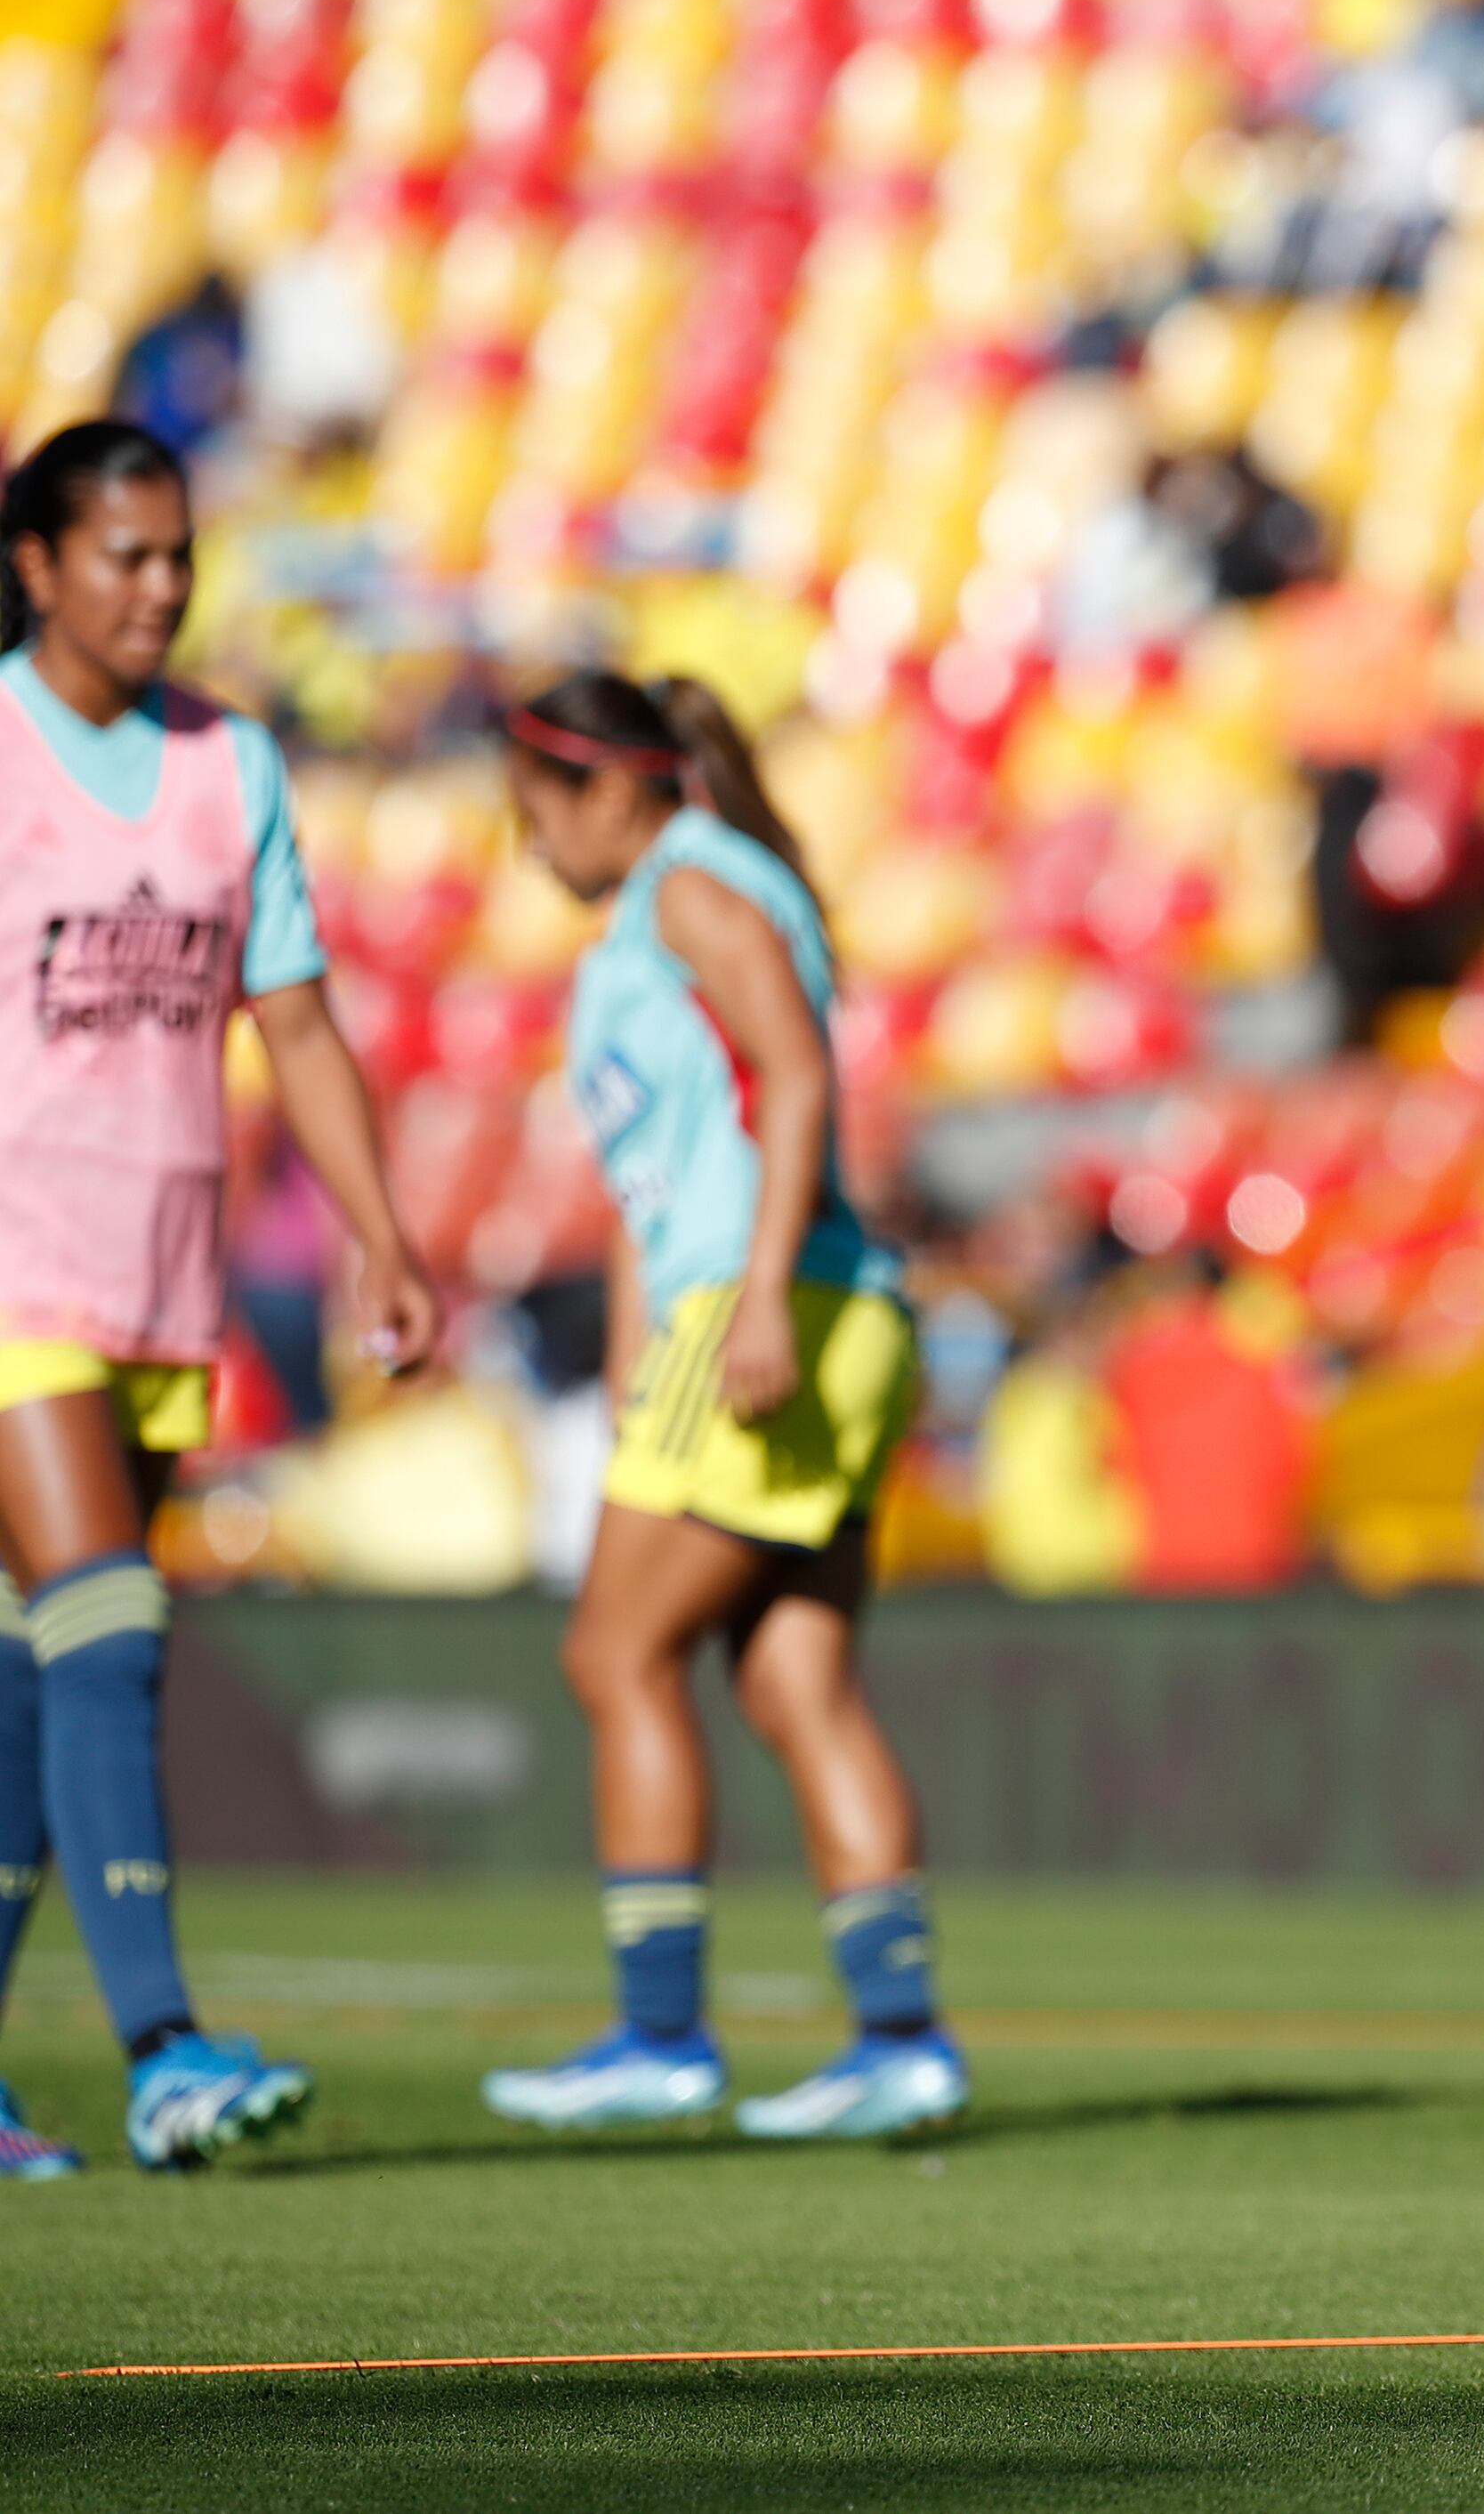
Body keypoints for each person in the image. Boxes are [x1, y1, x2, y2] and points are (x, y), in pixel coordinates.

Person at [0, 419, 438, 2177]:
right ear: (37, 565)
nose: (162, 586)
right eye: (126, 555)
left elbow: (298, 1022)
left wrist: (381, 1233)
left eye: (179, 554)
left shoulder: (226, 760)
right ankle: (163, 2048)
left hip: (161, 1280)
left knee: (35, 1679)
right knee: (111, 1626)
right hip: (18, 1269)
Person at [480, 670, 962, 2142]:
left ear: (611, 791)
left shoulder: (691, 890)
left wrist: (753, 1299)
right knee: (794, 1683)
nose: (529, 845)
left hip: (771, 1306)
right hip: (824, 1310)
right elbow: (657, 1184)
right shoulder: (685, 898)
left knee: (614, 1651)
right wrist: (645, 1358)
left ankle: (658, 2033)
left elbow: (796, 1078)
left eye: (537, 810)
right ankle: (900, 2041)